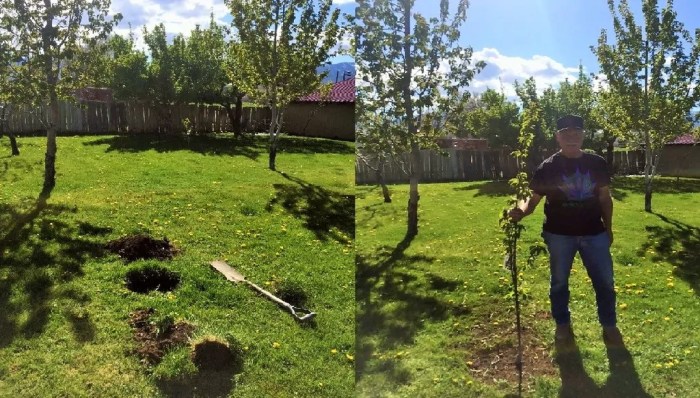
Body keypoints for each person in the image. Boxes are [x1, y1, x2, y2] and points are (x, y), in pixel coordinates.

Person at [508, 114, 622, 346]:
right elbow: (533, 200)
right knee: (559, 282)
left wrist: (608, 229)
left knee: (605, 282)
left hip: (594, 232)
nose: (572, 137)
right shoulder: (548, 167)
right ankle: (562, 324)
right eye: (566, 133)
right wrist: (519, 211)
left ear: (583, 135)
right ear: (557, 137)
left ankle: (609, 325)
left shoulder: (596, 163)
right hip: (559, 234)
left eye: (577, 132)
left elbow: (605, 198)